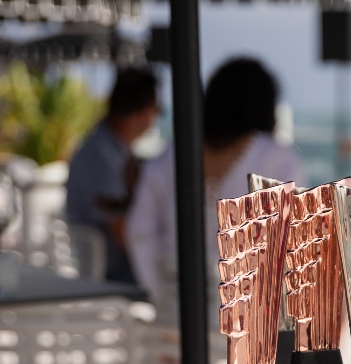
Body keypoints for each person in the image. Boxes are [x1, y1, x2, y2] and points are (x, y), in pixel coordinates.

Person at [126, 58, 306, 321]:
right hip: (251, 330)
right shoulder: (277, 159)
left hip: (174, 325)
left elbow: (139, 233)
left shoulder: (170, 157)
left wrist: (162, 298)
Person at [66, 68, 158, 282]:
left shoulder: (108, 149)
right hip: (116, 273)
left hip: (116, 266)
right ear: (146, 113)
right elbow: (124, 233)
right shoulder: (101, 156)